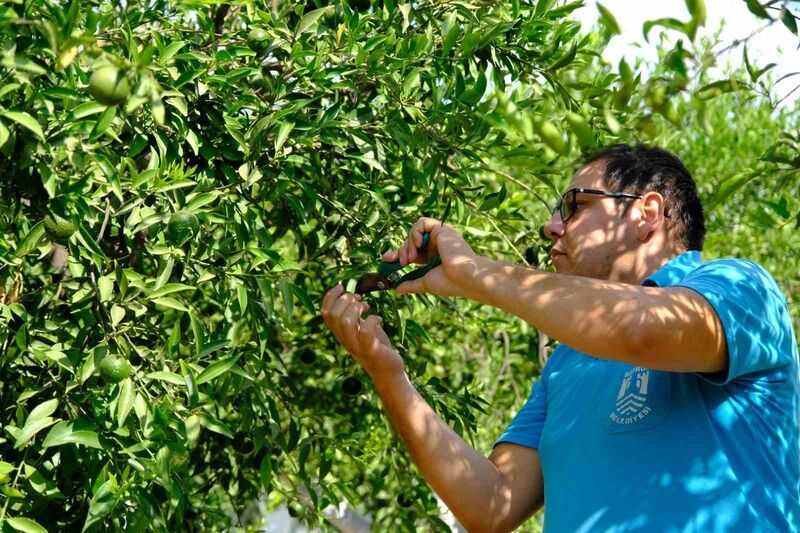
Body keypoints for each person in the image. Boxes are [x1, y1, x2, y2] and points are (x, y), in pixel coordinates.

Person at [320, 144, 800, 532]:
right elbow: (492, 506)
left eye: (575, 205)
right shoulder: (569, 361)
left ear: (647, 213)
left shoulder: (740, 288)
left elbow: (640, 331)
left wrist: (477, 273)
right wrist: (389, 374)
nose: (552, 226)